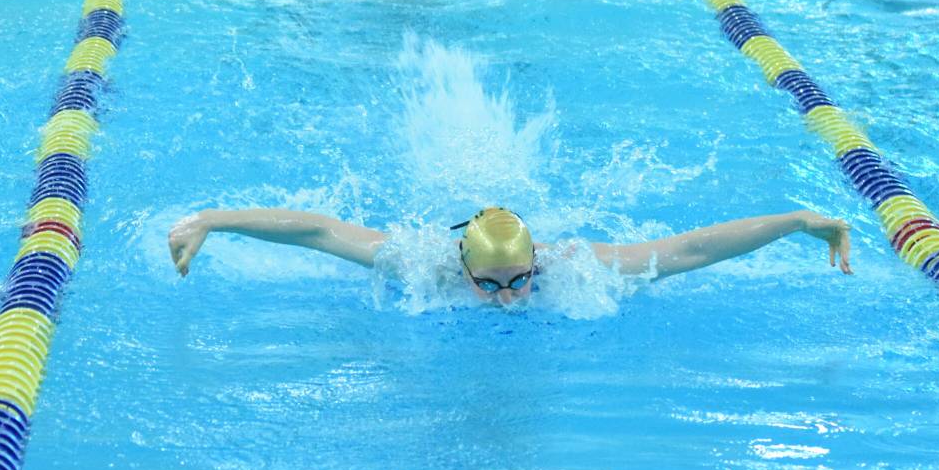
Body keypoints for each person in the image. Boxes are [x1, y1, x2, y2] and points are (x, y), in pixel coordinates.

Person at [168, 206, 852, 306]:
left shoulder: (568, 267)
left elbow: (689, 248)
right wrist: (212, 221)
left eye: (520, 280)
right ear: (460, 267)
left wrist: (797, 222)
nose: (509, 298)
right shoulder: (425, 262)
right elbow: (318, 231)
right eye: (490, 283)